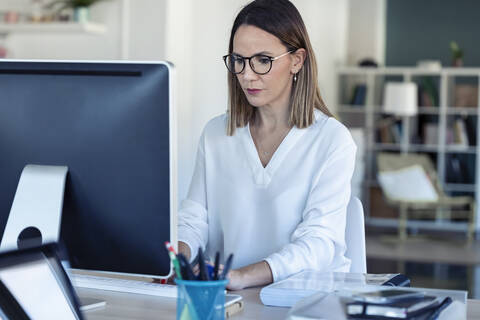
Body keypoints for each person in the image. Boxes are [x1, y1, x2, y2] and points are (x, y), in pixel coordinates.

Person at [177, 0, 356, 290]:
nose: (246, 75)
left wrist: (243, 276)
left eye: (262, 60)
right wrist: (181, 260)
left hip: (304, 301)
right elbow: (195, 219)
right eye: (238, 60)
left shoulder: (332, 140)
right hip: (232, 298)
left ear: (297, 60)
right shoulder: (216, 134)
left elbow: (319, 242)